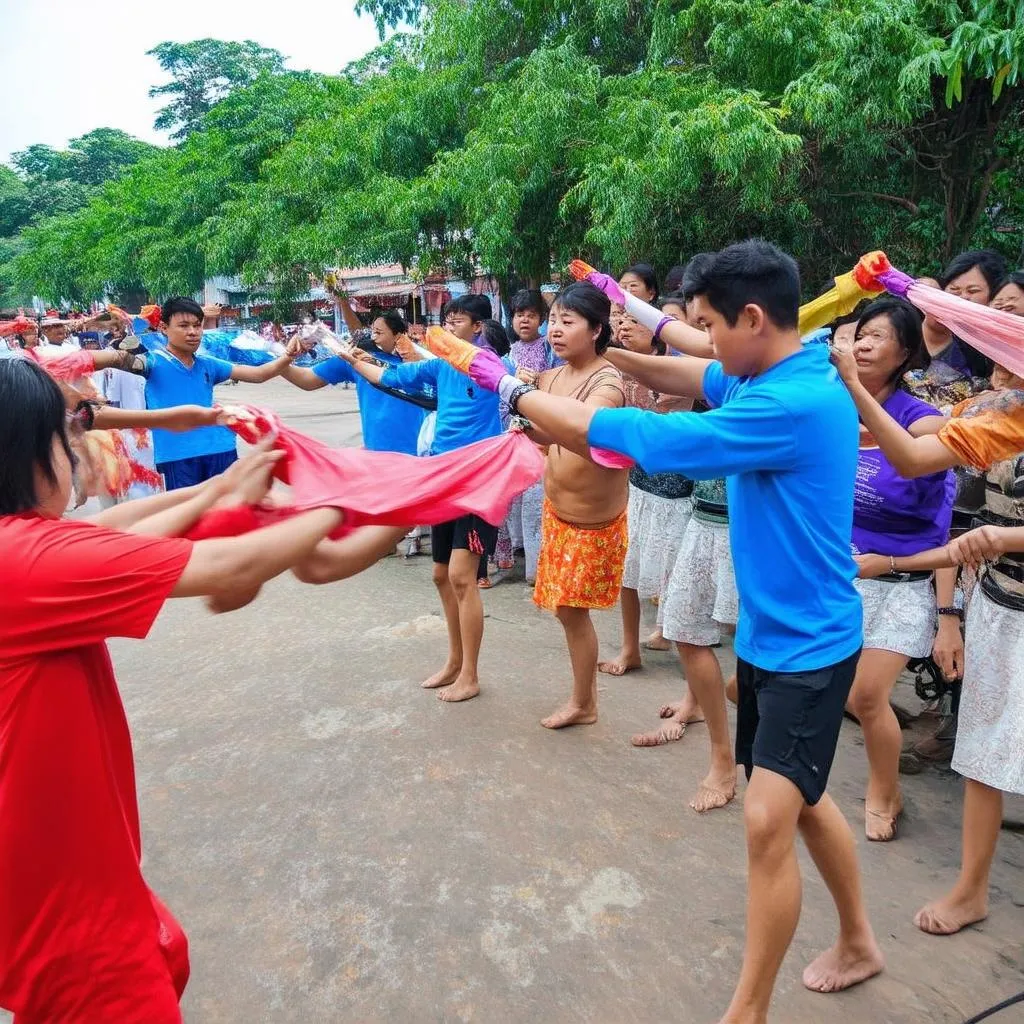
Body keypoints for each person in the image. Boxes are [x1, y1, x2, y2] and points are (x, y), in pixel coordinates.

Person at [435, 240, 883, 1018]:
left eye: (705, 323)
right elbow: (694, 372)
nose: (699, 339)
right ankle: (859, 939)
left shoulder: (788, 403)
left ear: (751, 316)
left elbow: (645, 440)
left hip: (811, 645)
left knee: (766, 818)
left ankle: (747, 1011)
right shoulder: (774, 369)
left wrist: (510, 389)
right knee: (805, 800)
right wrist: (624, 355)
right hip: (778, 637)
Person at [0, 357, 356, 1024]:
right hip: (67, 916)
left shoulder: (22, 546)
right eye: (63, 436)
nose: (78, 452)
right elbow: (233, 566)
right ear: (19, 454)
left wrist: (219, 486)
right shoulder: (19, 562)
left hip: (71, 876)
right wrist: (361, 495)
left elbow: (116, 530)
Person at [833, 273, 1024, 937]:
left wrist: (1000, 544)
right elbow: (922, 469)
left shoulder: (942, 409)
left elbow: (931, 488)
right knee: (981, 753)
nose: (993, 331)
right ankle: (972, 889)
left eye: (1008, 322)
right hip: (996, 596)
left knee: (873, 700)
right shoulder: (997, 411)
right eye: (991, 319)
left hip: (930, 583)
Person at [332, 296, 505, 703]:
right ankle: (454, 661)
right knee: (441, 575)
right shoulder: (437, 365)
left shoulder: (493, 366)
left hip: (478, 483)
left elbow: (517, 381)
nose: (447, 327)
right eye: (446, 320)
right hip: (441, 480)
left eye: (457, 321)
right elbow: (390, 377)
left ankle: (471, 675)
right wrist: (353, 359)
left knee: (463, 576)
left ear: (478, 328)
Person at [841, 298, 955, 841]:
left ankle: (885, 789)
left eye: (878, 337)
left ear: (906, 352)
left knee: (867, 697)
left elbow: (915, 456)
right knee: (778, 682)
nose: (862, 344)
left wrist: (948, 614)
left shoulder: (926, 420)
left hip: (903, 583)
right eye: (859, 333)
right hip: (842, 575)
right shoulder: (833, 405)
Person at [523, 282, 628, 727]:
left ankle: (585, 703)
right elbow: (545, 436)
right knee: (566, 610)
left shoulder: (607, 382)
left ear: (597, 329)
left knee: (572, 610)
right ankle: (584, 699)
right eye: (554, 321)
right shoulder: (551, 376)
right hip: (558, 512)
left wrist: (530, 414)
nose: (555, 331)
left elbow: (586, 434)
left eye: (568, 322)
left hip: (593, 522)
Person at [598, 309, 695, 678]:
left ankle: (670, 635)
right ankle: (629, 648)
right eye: (621, 323)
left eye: (634, 323)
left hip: (676, 488)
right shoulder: (616, 372)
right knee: (627, 570)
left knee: (674, 569)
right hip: (636, 483)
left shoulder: (676, 369)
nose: (624, 327)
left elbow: (655, 418)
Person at [141, 297, 296, 490]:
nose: (192, 332)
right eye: (183, 325)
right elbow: (115, 360)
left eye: (197, 326)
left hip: (221, 449)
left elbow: (259, 374)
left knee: (226, 511)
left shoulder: (208, 364)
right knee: (188, 515)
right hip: (177, 455)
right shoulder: (150, 362)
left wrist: (289, 355)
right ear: (164, 328)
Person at [277, 309, 426, 456]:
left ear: (398, 336)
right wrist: (284, 359)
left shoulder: (421, 363)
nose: (373, 337)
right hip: (377, 457)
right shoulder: (355, 361)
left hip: (421, 456)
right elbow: (306, 379)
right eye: (372, 332)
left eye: (379, 333)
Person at [493, 289, 554, 582]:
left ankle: (538, 569)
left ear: (541, 320)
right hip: (509, 433)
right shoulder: (508, 353)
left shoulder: (550, 350)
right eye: (520, 315)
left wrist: (535, 382)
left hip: (539, 433)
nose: (525, 320)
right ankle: (514, 553)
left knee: (534, 502)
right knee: (512, 498)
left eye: (531, 315)